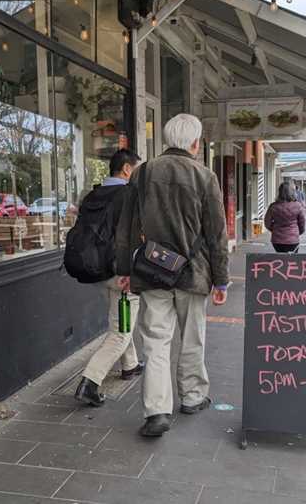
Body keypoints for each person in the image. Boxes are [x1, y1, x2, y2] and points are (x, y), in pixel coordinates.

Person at [116, 114, 230, 438]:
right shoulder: (205, 176)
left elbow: (126, 227)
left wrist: (125, 269)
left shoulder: (144, 172)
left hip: (153, 271)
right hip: (194, 273)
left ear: (167, 140)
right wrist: (221, 279)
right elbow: (216, 234)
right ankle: (193, 397)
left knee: (154, 342)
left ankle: (156, 411)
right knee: (192, 337)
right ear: (195, 143)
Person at [74, 149, 145, 406]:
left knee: (119, 320)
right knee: (121, 331)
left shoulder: (93, 194)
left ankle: (131, 365)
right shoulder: (129, 195)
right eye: (137, 169)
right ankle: (90, 382)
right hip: (121, 274)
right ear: (127, 169)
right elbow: (135, 236)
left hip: (95, 270)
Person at [265, 183, 306, 253]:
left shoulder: (273, 206)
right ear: (292, 192)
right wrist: (297, 232)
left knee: (280, 259)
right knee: (292, 261)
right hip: (293, 240)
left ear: (279, 192)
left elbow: (267, 223)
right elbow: (302, 223)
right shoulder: (298, 206)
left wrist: (274, 229)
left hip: (277, 240)